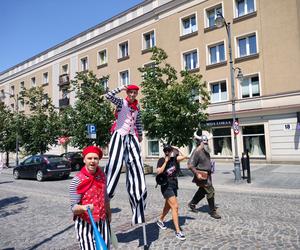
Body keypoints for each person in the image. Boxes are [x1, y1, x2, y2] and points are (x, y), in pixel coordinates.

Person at [105, 84, 147, 225]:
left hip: (131, 137)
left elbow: (138, 122)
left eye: (135, 93)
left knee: (137, 165)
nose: (133, 95)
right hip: (119, 135)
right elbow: (108, 96)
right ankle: (106, 194)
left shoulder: (137, 107)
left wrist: (140, 135)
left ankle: (138, 201)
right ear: (128, 92)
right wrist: (120, 88)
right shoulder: (121, 102)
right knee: (115, 164)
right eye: (131, 92)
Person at [69, 145, 111, 249]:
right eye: (89, 158)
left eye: (95, 158)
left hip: (102, 221)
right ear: (84, 160)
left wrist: (108, 212)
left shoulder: (102, 176)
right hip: (86, 223)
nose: (92, 161)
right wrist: (84, 208)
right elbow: (73, 208)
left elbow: (105, 197)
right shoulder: (77, 181)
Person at [156, 144, 187, 241]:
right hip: (166, 186)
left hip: (174, 184)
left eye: (169, 150)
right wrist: (165, 162)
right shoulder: (161, 160)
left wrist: (177, 148)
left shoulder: (174, 159)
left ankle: (160, 220)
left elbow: (185, 156)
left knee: (168, 205)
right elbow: (159, 172)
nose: (167, 152)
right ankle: (178, 231)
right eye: (166, 151)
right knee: (175, 206)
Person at [187, 134, 221, 219]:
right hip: (201, 175)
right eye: (204, 142)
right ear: (200, 142)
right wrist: (197, 173)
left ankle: (192, 203)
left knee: (202, 191)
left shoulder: (206, 151)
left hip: (208, 175)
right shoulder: (197, 151)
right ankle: (213, 211)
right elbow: (190, 165)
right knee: (210, 191)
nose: (206, 144)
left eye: (207, 142)